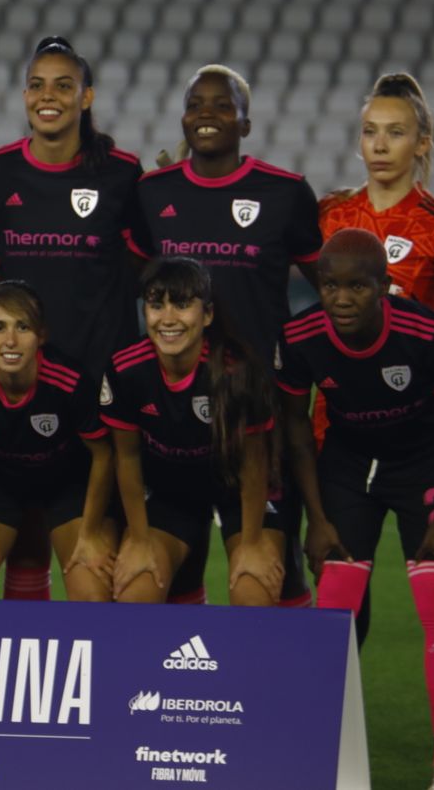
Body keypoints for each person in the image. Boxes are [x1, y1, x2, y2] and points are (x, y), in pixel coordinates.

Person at [318, 71, 434, 778]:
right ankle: (330, 723)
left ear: (422, 143)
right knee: (340, 587)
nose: (380, 144)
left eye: (395, 132)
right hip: (338, 434)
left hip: (420, 435)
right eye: (370, 131)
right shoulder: (330, 216)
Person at [279, 229, 434, 790]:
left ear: (384, 286)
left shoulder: (428, 333)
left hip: (423, 467)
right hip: (348, 469)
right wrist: (317, 519)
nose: (341, 299)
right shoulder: (299, 336)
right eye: (330, 286)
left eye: (358, 287)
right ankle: (325, 755)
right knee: (334, 613)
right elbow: (296, 427)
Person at [131, 64, 322, 605]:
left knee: (271, 576)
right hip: (173, 414)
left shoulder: (285, 192)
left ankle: (291, 656)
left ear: (246, 123)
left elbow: (328, 288)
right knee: (165, 577)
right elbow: (132, 278)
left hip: (258, 412)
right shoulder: (153, 193)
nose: (206, 114)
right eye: (195, 104)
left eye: (221, 105)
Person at [0, 35, 143, 600]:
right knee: (22, 545)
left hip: (97, 389)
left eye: (63, 86)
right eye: (37, 85)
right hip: (20, 387)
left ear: (86, 97)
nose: (48, 96)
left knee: (95, 568)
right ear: (25, 95)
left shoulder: (123, 173)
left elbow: (144, 267)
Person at [102, 257, 284, 606]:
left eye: (182, 305)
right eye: (156, 306)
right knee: (135, 592)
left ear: (208, 314)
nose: (168, 318)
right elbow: (127, 457)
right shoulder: (126, 370)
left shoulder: (237, 372)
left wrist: (251, 544)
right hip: (171, 495)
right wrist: (138, 540)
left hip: (237, 492)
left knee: (253, 593)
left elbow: (254, 464)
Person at [0, 282, 115, 601]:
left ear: (41, 335)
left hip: (66, 482)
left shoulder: (70, 381)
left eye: (23, 327)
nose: (10, 341)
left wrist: (90, 534)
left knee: (92, 590)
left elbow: (104, 454)